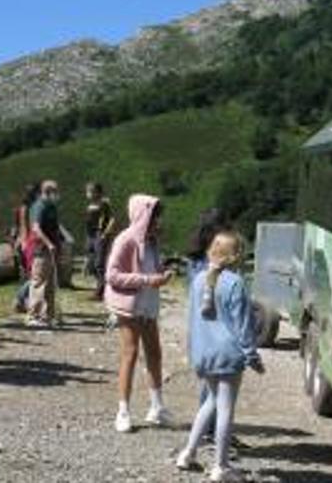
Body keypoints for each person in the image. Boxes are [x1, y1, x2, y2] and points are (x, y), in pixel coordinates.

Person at [175, 231, 263, 482]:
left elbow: (192, 319)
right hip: (228, 355)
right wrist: (252, 356)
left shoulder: (197, 279)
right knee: (225, 409)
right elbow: (243, 326)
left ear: (211, 252)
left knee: (210, 403)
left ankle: (188, 453)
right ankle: (220, 466)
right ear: (236, 257)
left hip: (203, 354)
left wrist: (192, 352)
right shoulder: (235, 283)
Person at [105, 195, 175, 432]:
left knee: (154, 353)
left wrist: (161, 273)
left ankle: (156, 407)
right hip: (129, 305)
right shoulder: (125, 240)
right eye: (154, 215)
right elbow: (112, 275)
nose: (158, 220)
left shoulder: (152, 241)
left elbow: (150, 269)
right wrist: (148, 279)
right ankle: (123, 411)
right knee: (130, 354)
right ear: (142, 215)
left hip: (148, 305)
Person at [26, 180, 63, 327]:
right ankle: (33, 315)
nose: (57, 195)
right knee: (39, 281)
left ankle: (47, 315)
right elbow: (36, 228)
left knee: (50, 284)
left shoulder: (51, 206)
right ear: (46, 192)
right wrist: (49, 243)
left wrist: (58, 244)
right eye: (55, 192)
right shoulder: (39, 206)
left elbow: (55, 227)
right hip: (40, 249)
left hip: (52, 249)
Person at [12, 183, 40, 313]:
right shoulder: (30, 208)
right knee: (34, 275)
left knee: (28, 275)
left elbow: (18, 227)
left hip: (22, 242)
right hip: (28, 243)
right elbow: (26, 227)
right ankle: (19, 299)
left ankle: (24, 302)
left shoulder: (22, 207)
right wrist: (25, 242)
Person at [84, 182, 115, 301]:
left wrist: (104, 234)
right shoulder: (90, 204)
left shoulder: (104, 203)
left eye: (91, 191)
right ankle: (102, 286)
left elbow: (112, 219)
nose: (88, 193)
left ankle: (100, 292)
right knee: (91, 264)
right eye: (87, 191)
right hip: (90, 236)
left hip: (99, 235)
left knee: (99, 264)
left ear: (97, 192)